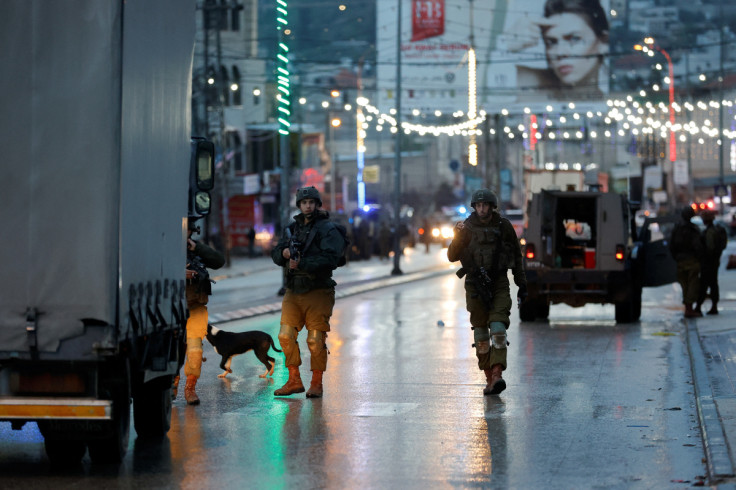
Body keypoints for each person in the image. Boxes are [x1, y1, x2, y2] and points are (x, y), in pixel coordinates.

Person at [447, 189, 527, 396]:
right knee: (481, 335)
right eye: (478, 205)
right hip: (475, 286)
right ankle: (489, 377)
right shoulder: (467, 227)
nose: (482, 208)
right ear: (475, 207)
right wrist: (458, 236)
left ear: (492, 206)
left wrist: (522, 284)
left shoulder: (504, 227)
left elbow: (517, 258)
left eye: (485, 205)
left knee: (499, 330)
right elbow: (451, 255)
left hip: (499, 283)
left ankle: (498, 374)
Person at [271, 186, 343, 398]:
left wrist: (303, 263)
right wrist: (284, 253)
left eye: (311, 202)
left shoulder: (328, 229)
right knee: (285, 335)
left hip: (319, 290)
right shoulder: (292, 229)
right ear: (299, 205)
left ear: (317, 204)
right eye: (304, 203)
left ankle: (316, 383)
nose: (308, 206)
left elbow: (332, 258)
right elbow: (275, 254)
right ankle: (294, 380)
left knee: (314, 340)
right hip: (294, 290)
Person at [507, 0, 609, 101]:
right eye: (551, 42)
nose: (560, 52)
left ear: (603, 42)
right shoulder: (526, 83)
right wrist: (505, 44)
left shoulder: (614, 103)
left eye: (574, 39)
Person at [174, 217, 225, 405]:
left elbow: (219, 261)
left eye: (187, 230)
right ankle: (172, 383)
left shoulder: (195, 249)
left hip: (195, 309)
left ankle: (190, 388)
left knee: (195, 350)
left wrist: (197, 248)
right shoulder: (165, 249)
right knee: (175, 352)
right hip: (172, 310)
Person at [669, 207, 704, 319]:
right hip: (691, 260)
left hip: (680, 260)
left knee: (685, 285)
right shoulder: (692, 230)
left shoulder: (677, 229)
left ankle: (688, 308)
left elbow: (671, 246)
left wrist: (676, 257)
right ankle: (689, 309)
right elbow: (697, 246)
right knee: (692, 285)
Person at [696, 210, 728, 315]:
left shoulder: (710, 232)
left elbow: (710, 248)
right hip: (713, 261)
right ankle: (713, 306)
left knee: (704, 284)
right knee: (713, 283)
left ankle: (699, 307)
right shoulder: (716, 230)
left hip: (708, 262)